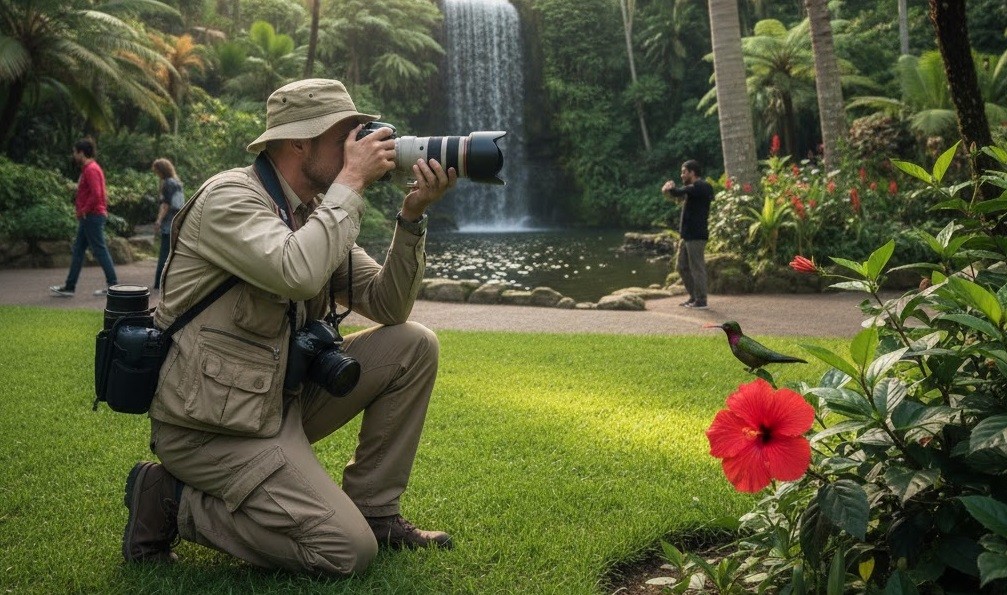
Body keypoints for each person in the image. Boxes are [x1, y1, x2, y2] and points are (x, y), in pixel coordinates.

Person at [120, 78, 458, 576]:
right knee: (346, 553)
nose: (357, 146)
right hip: (210, 428)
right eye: (346, 134)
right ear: (300, 140)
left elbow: (389, 305)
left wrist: (412, 218)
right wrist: (352, 184)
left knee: (414, 345)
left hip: (280, 403)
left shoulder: (315, 213)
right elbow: (295, 273)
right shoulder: (229, 200)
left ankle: (376, 511)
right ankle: (170, 499)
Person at [49, 138, 119, 297]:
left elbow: (97, 194)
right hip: (90, 216)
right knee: (78, 251)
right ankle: (69, 287)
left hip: (92, 216)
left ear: (81, 153)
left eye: (75, 152)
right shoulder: (90, 168)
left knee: (100, 250)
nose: (73, 155)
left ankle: (113, 285)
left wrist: (84, 210)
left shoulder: (91, 169)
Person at [661, 159, 713, 309]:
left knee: (697, 267)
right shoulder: (692, 189)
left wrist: (670, 189)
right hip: (687, 236)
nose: (681, 175)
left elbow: (678, 192)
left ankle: (701, 300)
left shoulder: (701, 186)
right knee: (682, 266)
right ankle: (694, 297)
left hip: (697, 236)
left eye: (684, 172)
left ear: (692, 172)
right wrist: (668, 192)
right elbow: (678, 195)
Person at [151, 158, 183, 290]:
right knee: (173, 252)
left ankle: (159, 282)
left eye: (157, 171)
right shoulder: (177, 182)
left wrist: (158, 220)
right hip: (177, 220)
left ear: (161, 170)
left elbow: (165, 205)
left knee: (164, 253)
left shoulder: (167, 184)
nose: (156, 174)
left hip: (168, 222)